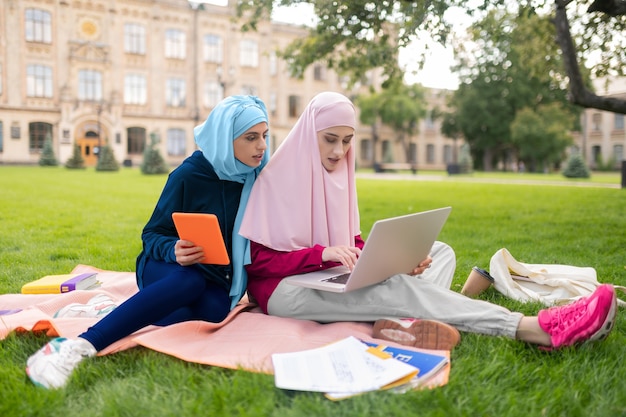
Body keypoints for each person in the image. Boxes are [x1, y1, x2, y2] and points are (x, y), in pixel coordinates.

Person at [239, 91, 617, 352]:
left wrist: (386, 258)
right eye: (330, 140)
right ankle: (532, 329)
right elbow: (258, 265)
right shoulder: (275, 180)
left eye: (348, 141)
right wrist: (325, 255)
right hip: (284, 291)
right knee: (397, 289)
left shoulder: (339, 177)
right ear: (310, 135)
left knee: (438, 252)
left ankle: (406, 326)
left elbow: (351, 243)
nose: (340, 152)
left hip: (331, 275)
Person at [26, 95, 270, 389]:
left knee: (214, 311)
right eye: (251, 137)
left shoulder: (255, 178)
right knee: (188, 283)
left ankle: (104, 310)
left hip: (216, 277)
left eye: (265, 136)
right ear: (225, 138)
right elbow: (152, 234)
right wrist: (174, 250)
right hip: (165, 266)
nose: (262, 146)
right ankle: (79, 345)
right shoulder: (189, 175)